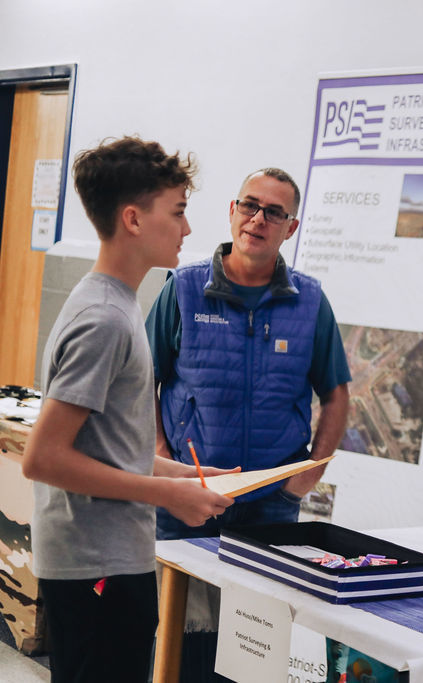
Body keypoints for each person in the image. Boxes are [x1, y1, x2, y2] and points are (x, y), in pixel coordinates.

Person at [21, 137, 235, 683]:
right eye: (179, 212)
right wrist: (168, 495)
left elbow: (110, 445)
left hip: (111, 562)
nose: (188, 229)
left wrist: (186, 476)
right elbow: (44, 458)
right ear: (134, 219)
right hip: (98, 569)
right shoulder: (105, 319)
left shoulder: (114, 305)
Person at [146, 167, 351, 539]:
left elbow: (337, 394)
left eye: (274, 212)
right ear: (232, 211)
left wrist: (309, 473)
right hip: (188, 491)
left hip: (272, 501)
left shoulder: (310, 302)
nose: (258, 219)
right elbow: (142, 381)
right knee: (174, 598)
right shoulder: (183, 290)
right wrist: (163, 459)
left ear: (290, 228)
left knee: (254, 600)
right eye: (250, 206)